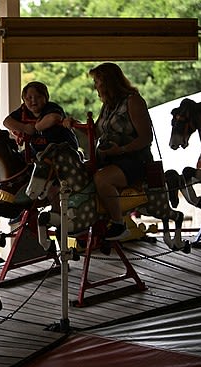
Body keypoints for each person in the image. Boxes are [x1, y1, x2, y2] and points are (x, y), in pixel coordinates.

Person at [66, 62, 154, 240]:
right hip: (109, 159)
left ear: (108, 82)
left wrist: (120, 150)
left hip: (134, 159)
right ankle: (84, 219)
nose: (95, 86)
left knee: (102, 178)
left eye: (97, 82)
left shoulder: (133, 101)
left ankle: (118, 224)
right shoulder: (108, 105)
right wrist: (75, 125)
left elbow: (146, 137)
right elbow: (97, 132)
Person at [3, 81, 79, 158]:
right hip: (37, 150)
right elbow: (7, 122)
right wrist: (24, 128)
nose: (33, 100)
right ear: (24, 100)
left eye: (38, 97)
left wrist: (37, 127)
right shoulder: (24, 110)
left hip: (62, 148)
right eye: (29, 98)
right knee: (18, 159)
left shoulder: (51, 107)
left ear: (46, 98)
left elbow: (54, 117)